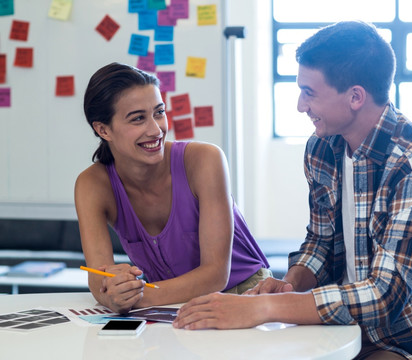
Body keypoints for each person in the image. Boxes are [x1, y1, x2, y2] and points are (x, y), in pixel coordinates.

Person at [172, 21, 412, 360]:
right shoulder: (322, 148)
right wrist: (289, 285)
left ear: (355, 96)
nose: (300, 105)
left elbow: (385, 296)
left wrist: (268, 307)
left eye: (309, 92)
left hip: (408, 341)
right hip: (342, 327)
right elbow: (322, 242)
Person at [75, 62, 270, 314]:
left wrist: (136, 297)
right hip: (169, 304)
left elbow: (215, 275)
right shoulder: (92, 185)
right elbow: (97, 277)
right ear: (103, 129)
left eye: (159, 112)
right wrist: (113, 294)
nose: (156, 130)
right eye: (138, 119)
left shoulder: (205, 160)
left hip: (244, 293)